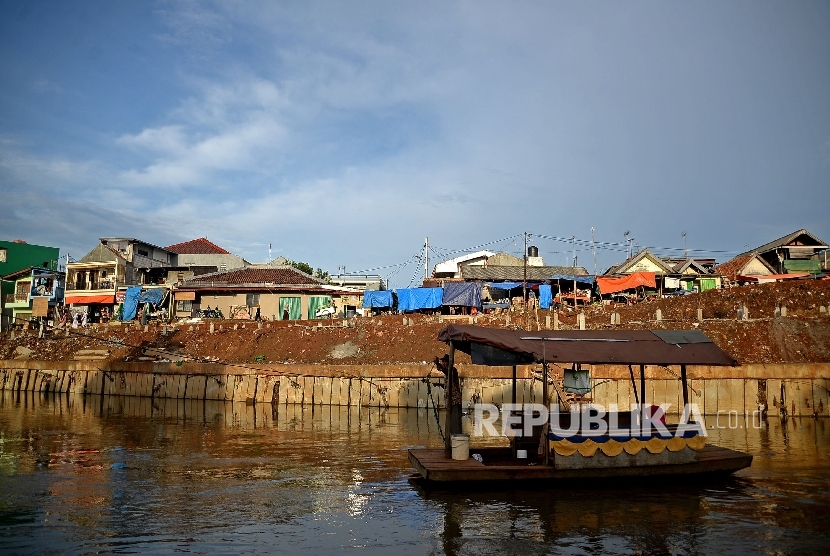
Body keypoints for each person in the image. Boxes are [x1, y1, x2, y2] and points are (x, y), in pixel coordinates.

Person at [434, 354, 462, 435]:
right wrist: (440, 385)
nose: (443, 363)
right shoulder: (447, 373)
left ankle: (457, 439)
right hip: (449, 402)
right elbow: (448, 386)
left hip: (455, 401)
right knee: (450, 423)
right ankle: (452, 440)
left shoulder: (452, 370)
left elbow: (445, 370)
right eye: (442, 361)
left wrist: (437, 363)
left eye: (445, 361)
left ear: (450, 362)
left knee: (455, 423)